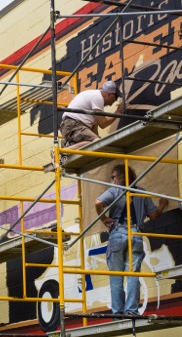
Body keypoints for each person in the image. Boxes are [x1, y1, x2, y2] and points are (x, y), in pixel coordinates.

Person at [95, 164, 168, 316]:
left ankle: (118, 312)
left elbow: (98, 203)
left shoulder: (114, 190)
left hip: (117, 233)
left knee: (116, 276)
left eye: (113, 177)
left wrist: (104, 219)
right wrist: (162, 205)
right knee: (133, 274)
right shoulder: (141, 192)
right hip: (135, 234)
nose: (112, 180)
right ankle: (131, 310)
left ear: (121, 177)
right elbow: (153, 215)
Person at [60, 80, 123, 150]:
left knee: (98, 141)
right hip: (73, 125)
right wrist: (118, 113)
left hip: (72, 125)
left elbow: (94, 129)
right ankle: (64, 151)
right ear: (110, 94)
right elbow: (103, 123)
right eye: (115, 97)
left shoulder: (96, 102)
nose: (115, 101)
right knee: (96, 142)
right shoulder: (97, 97)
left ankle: (70, 145)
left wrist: (99, 139)